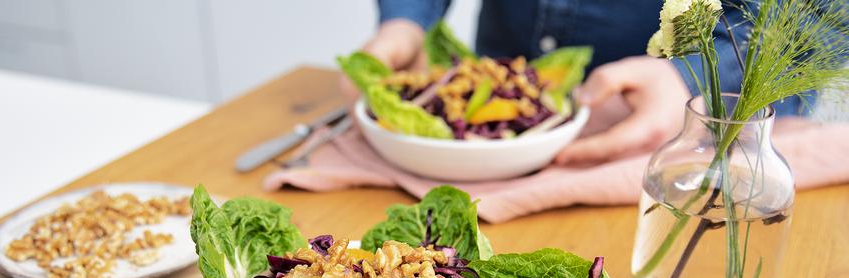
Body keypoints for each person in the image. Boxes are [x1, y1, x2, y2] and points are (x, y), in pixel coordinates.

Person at [341, 0, 815, 165]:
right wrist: (406, 21)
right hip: (480, 126)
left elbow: (821, 19)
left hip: (694, 138)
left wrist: (691, 78)